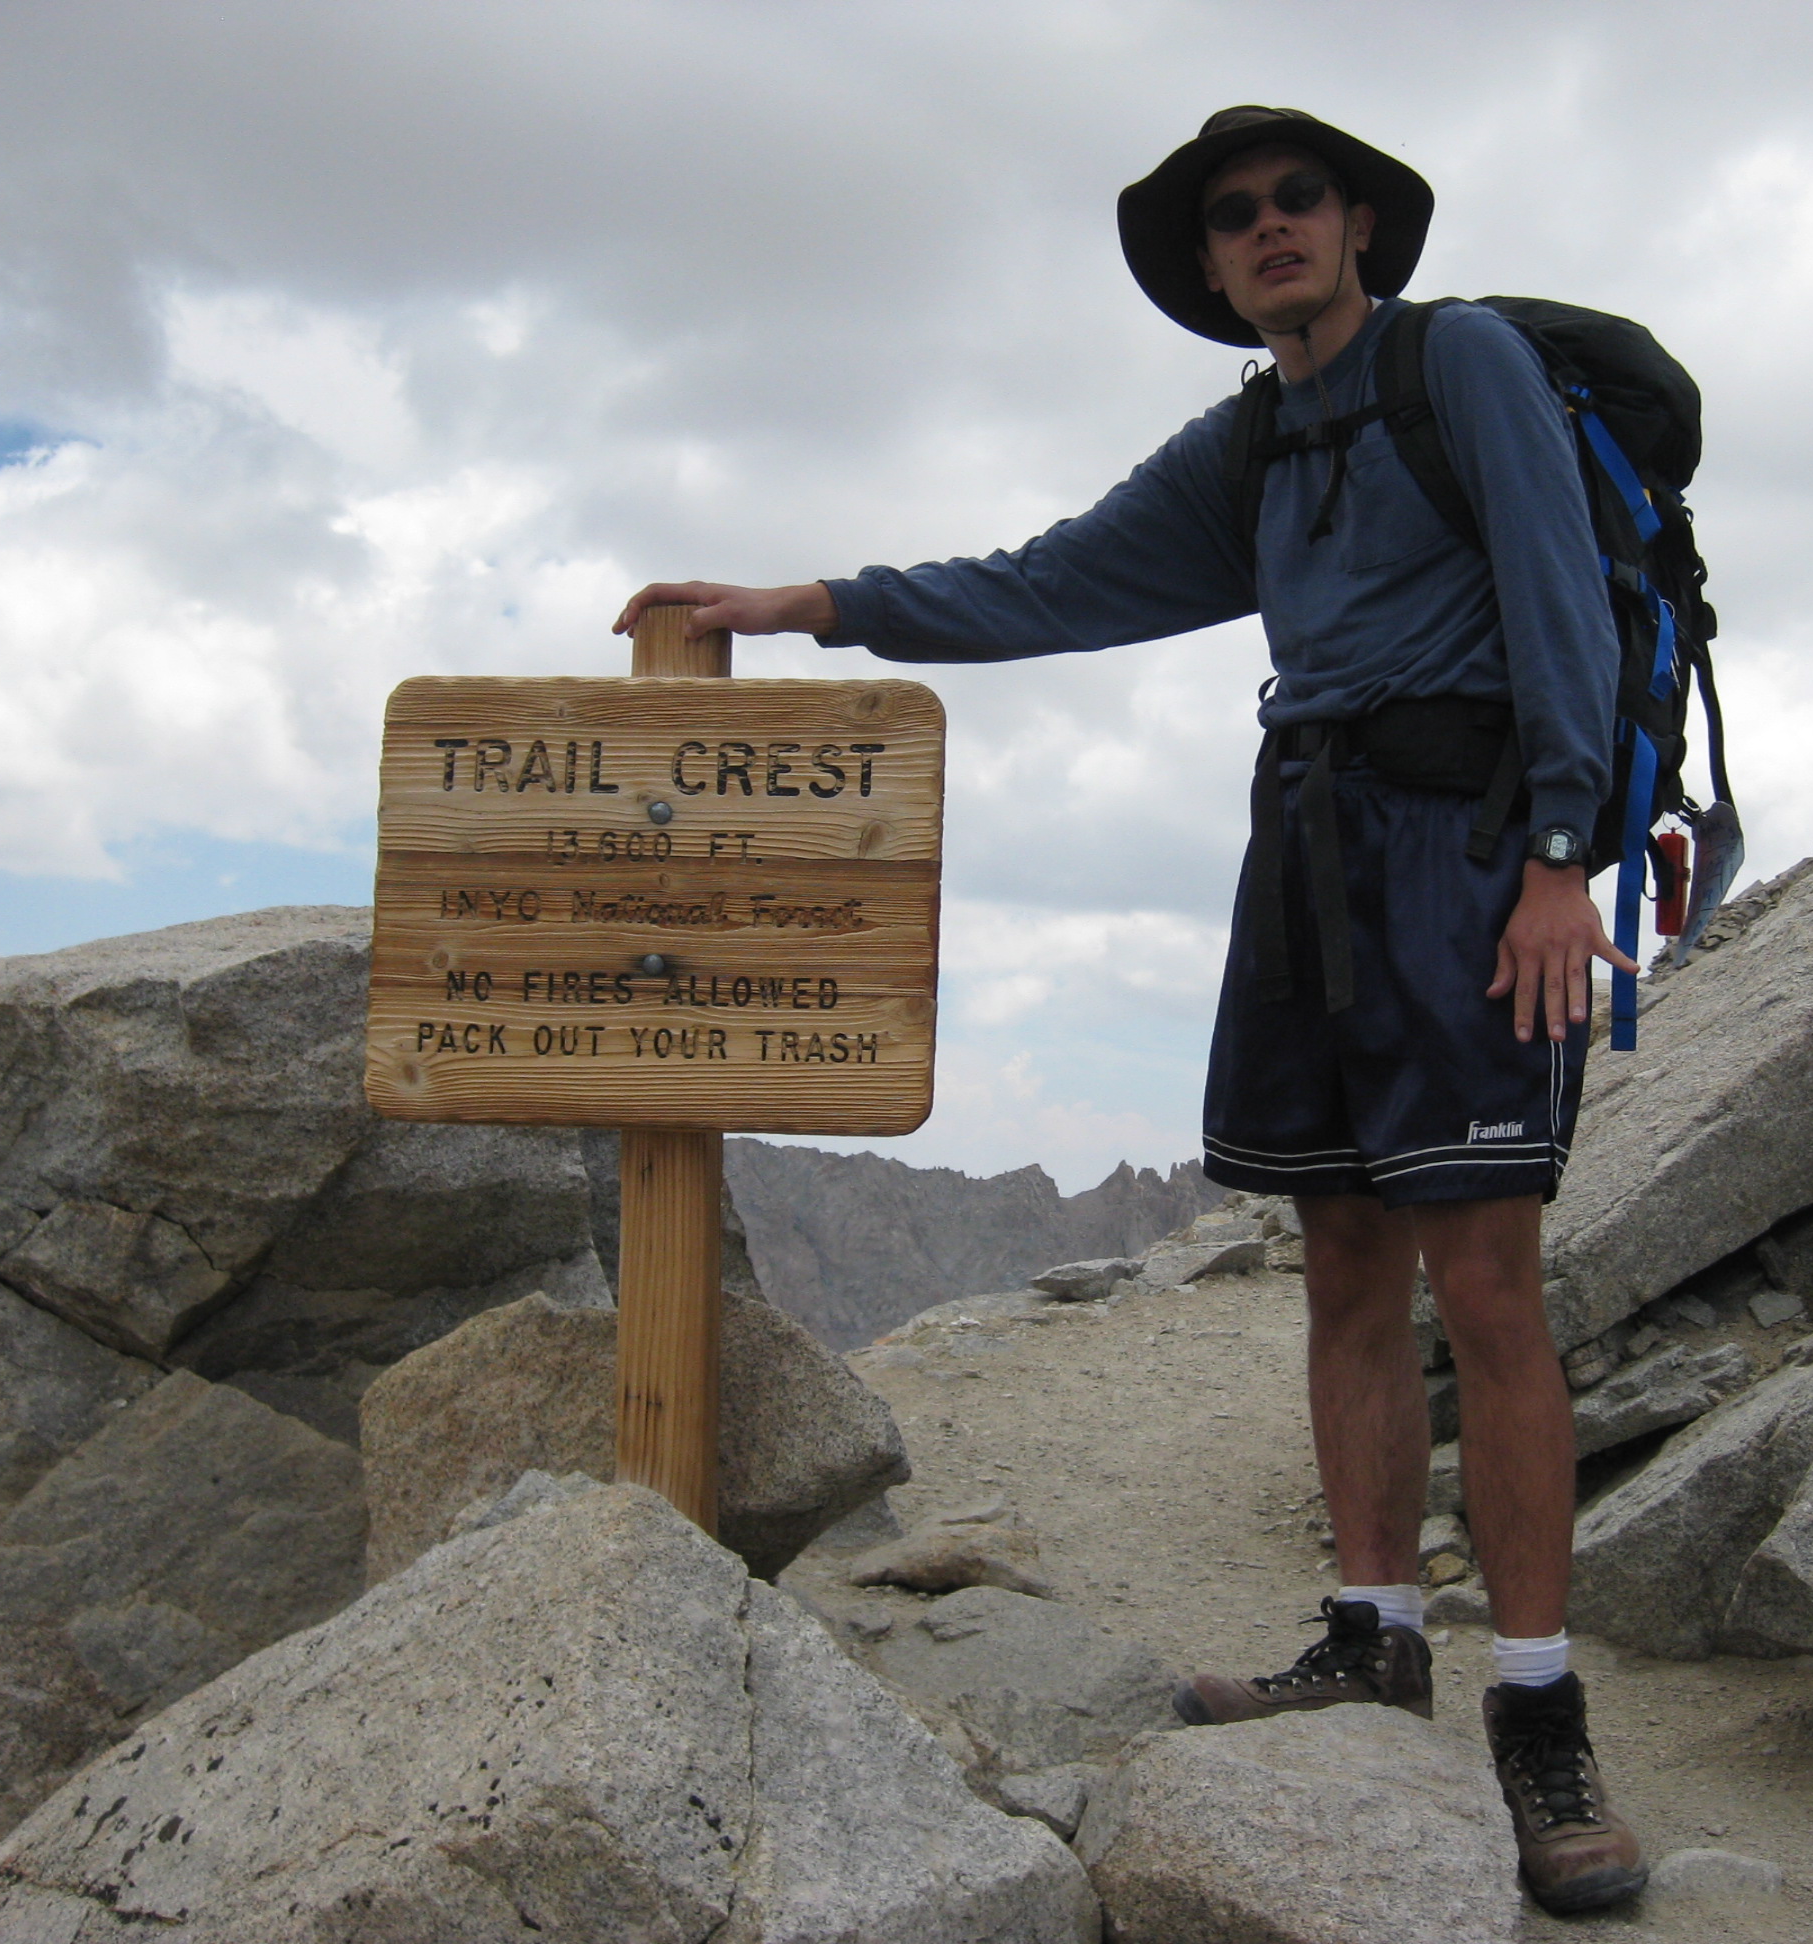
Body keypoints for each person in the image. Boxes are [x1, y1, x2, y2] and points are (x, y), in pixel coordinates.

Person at [614, 105, 1648, 1914]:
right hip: (1307, 844)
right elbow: (1056, 580)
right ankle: (1375, 1636)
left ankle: (1542, 1714)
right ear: (1215, 267)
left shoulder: (1461, 361)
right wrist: (817, 604)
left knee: (1487, 1284)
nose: (1267, 227)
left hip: (1472, 851)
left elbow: (1562, 594)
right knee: (1342, 1258)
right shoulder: (1247, 442)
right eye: (1233, 216)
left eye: (1297, 199)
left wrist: (1565, 850)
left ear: (1358, 224)